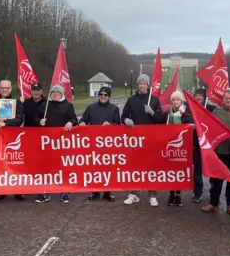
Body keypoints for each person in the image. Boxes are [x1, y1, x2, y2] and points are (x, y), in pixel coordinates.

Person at [121, 74, 165, 207]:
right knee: (136, 166)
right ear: (138, 85)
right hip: (135, 139)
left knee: (151, 166)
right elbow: (123, 116)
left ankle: (152, 195)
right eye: (140, 83)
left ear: (148, 85)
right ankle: (135, 194)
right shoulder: (131, 100)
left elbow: (161, 120)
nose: (142, 85)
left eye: (144, 83)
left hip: (151, 139)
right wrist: (126, 120)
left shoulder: (154, 100)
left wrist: (152, 113)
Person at [38, 84, 78, 204]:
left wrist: (71, 122)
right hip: (47, 142)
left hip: (62, 143)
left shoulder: (68, 106)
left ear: (62, 94)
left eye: (58, 92)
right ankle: (46, 192)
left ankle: (64, 192)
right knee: (47, 167)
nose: (55, 94)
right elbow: (36, 119)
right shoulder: (45, 105)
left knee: (62, 167)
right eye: (53, 92)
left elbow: (75, 120)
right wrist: (39, 121)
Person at [201, 89, 230, 215]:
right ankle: (213, 203)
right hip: (218, 150)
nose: (228, 100)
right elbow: (208, 127)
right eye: (226, 98)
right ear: (223, 99)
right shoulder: (217, 112)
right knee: (216, 179)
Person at [79, 85, 120, 201]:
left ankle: (108, 191)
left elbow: (118, 124)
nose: (103, 96)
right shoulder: (91, 107)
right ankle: (95, 191)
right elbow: (83, 120)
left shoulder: (114, 108)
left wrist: (110, 125)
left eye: (105, 95)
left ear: (109, 96)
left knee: (108, 167)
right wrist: (82, 123)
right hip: (94, 142)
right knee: (95, 167)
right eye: (101, 94)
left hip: (108, 143)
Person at [0, 80, 25, 201]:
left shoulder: (17, 103)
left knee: (15, 162)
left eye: (7, 88)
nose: (4, 90)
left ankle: (17, 190)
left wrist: (6, 122)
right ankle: (2, 189)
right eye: (2, 88)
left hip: (12, 138)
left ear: (10, 89)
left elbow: (19, 119)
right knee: (0, 162)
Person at [165, 90, 192, 207]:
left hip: (183, 144)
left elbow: (190, 124)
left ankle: (178, 195)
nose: (175, 102)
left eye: (178, 99)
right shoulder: (169, 111)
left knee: (180, 170)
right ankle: (171, 193)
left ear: (181, 101)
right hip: (171, 143)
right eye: (174, 100)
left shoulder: (187, 111)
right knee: (171, 169)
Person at [191, 87, 214, 202]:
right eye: (197, 95)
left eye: (200, 95)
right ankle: (197, 192)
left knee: (211, 170)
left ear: (204, 97)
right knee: (197, 170)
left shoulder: (210, 109)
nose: (198, 97)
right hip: (194, 144)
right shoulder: (190, 107)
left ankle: (214, 195)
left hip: (207, 144)